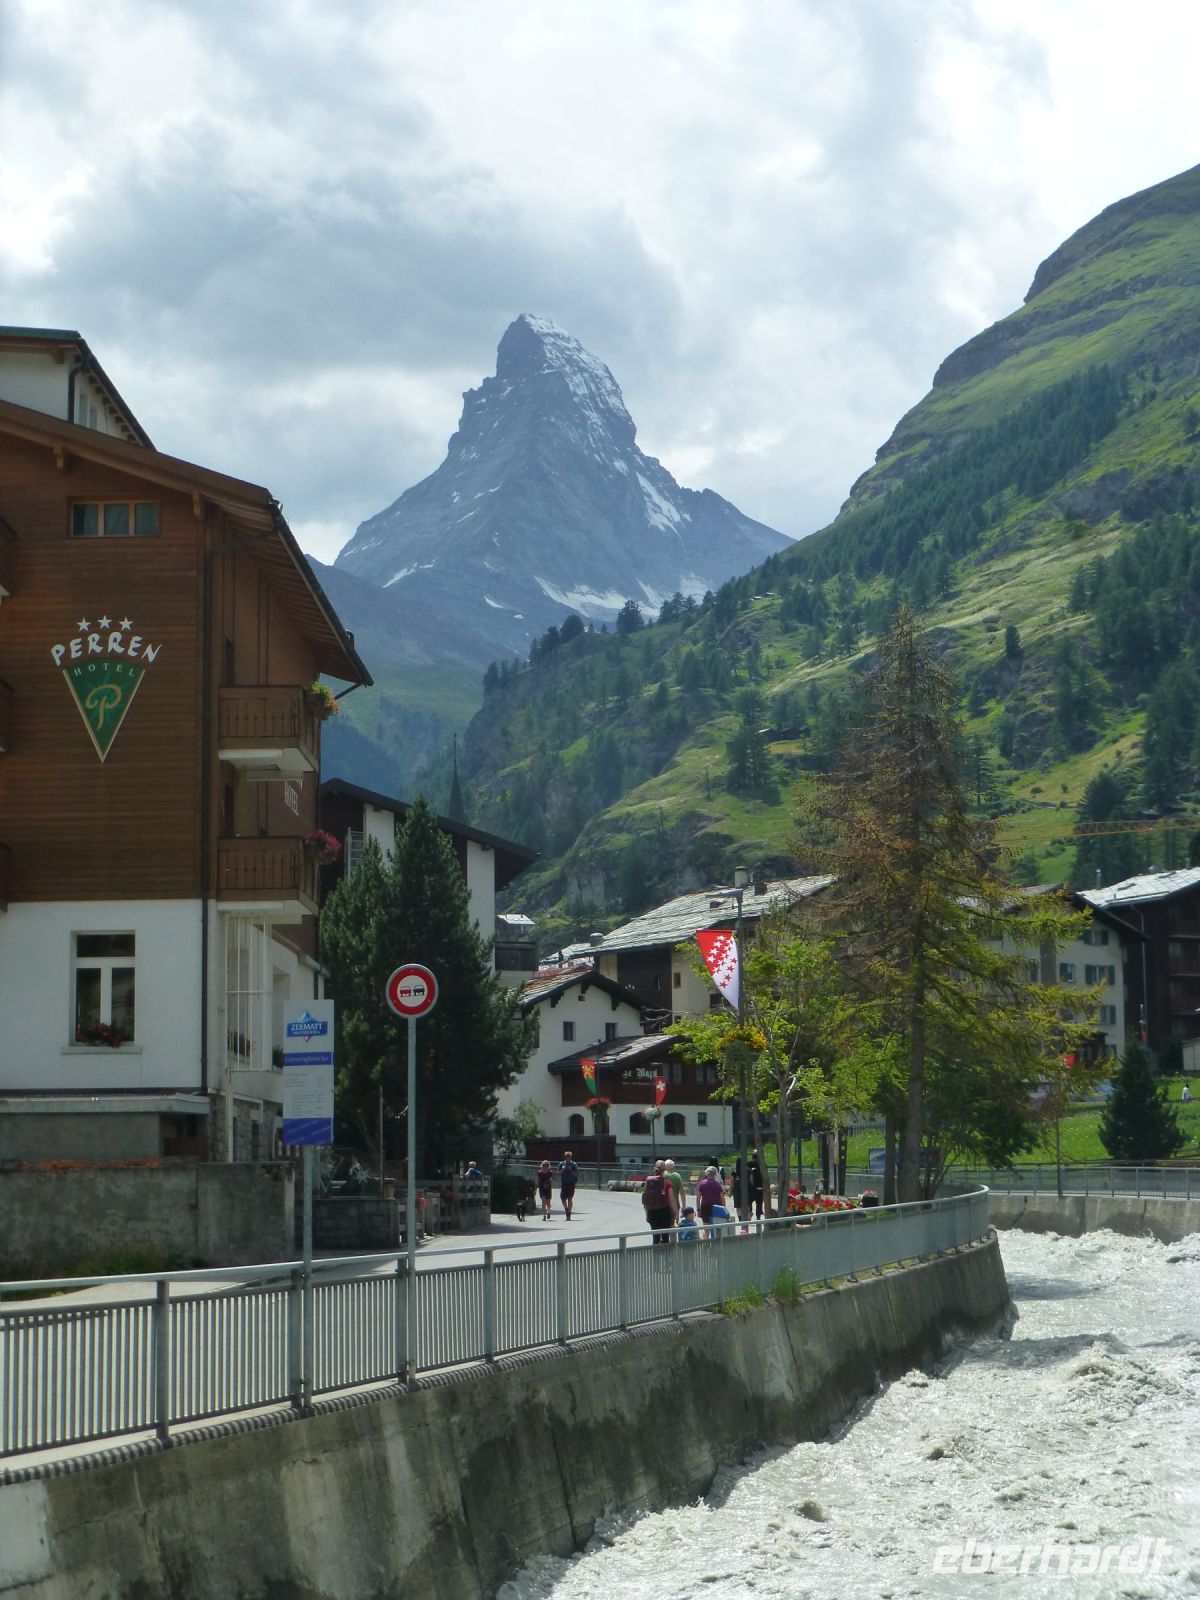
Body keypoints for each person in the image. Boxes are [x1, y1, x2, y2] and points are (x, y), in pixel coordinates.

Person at [641, 1159, 677, 1244]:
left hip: (652, 1212)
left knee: (655, 1237)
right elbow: (672, 1201)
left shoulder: (648, 1182)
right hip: (665, 1212)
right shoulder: (666, 1183)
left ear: (654, 1169)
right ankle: (666, 1256)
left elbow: (645, 1200)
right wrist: (676, 1214)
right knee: (665, 1237)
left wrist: (647, 1215)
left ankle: (655, 1255)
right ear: (664, 1170)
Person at [696, 1164, 725, 1239]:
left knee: (706, 1227)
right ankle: (715, 1242)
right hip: (716, 1207)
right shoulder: (718, 1185)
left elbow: (698, 1198)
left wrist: (698, 1209)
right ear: (715, 1174)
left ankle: (706, 1243)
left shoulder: (702, 1184)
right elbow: (722, 1198)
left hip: (705, 1206)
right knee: (715, 1226)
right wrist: (724, 1208)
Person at [558, 1150, 579, 1219]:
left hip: (571, 1183)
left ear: (571, 1157)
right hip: (564, 1183)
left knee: (570, 1198)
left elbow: (576, 1174)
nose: (568, 1158)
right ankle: (566, 1208)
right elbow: (558, 1173)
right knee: (562, 1198)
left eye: (569, 1156)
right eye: (566, 1156)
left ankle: (568, 1214)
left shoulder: (574, 1164)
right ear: (565, 1157)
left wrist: (571, 1170)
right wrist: (562, 1170)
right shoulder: (561, 1164)